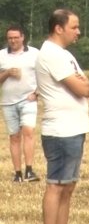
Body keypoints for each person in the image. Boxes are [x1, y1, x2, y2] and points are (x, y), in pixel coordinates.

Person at [35, 9, 89, 224]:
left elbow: (87, 85)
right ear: (58, 28)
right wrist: (85, 85)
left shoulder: (65, 54)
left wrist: (85, 85)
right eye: (74, 27)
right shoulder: (51, 54)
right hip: (61, 131)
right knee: (56, 185)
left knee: (68, 186)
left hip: (75, 127)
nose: (78, 31)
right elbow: (83, 89)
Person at [0, 25, 41, 183]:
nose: (13, 40)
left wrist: (36, 93)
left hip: (28, 100)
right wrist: (7, 73)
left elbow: (44, 75)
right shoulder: (1, 55)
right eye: (10, 38)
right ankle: (17, 173)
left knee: (28, 132)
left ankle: (29, 171)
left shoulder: (35, 54)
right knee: (14, 137)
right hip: (8, 102)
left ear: (23, 37)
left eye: (16, 37)